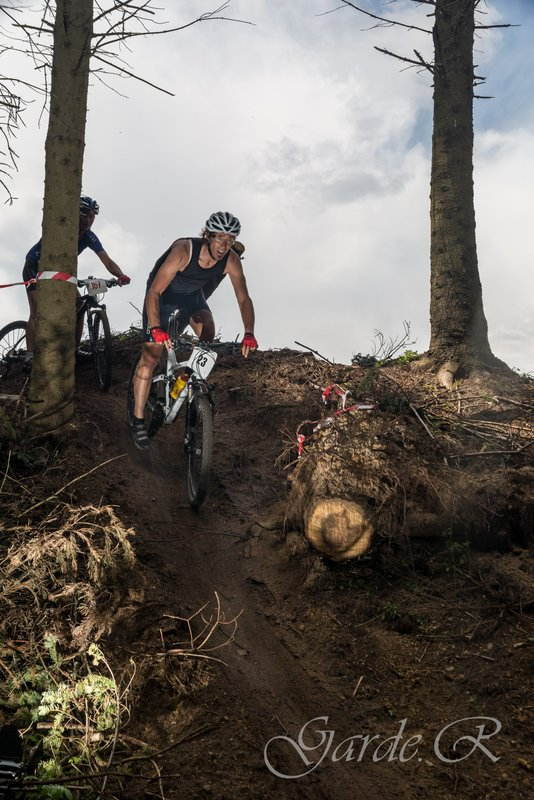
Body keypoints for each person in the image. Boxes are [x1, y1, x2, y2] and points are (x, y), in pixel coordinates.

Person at [130, 210, 257, 450]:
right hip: (162, 295)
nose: (224, 245)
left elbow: (243, 299)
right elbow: (155, 292)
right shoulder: (183, 251)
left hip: (191, 298)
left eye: (230, 239)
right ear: (208, 235)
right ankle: (137, 420)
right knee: (151, 356)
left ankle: (180, 382)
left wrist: (249, 332)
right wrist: (156, 328)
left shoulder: (231, 260)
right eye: (220, 238)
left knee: (207, 332)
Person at [22, 195, 131, 362]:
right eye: (85, 214)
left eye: (93, 215)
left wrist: (120, 275)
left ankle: (75, 349)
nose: (89, 219)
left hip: (60, 273)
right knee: (37, 310)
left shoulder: (89, 236)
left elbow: (106, 260)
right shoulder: (63, 228)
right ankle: (29, 356)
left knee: (79, 304)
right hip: (34, 267)